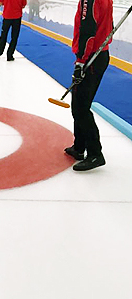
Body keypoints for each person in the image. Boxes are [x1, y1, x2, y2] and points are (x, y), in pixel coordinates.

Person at [64, 0, 113, 171]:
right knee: (78, 103)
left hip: (91, 58)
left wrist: (81, 62)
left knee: (80, 108)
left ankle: (95, 154)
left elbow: (87, 31)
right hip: (99, 55)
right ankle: (79, 147)